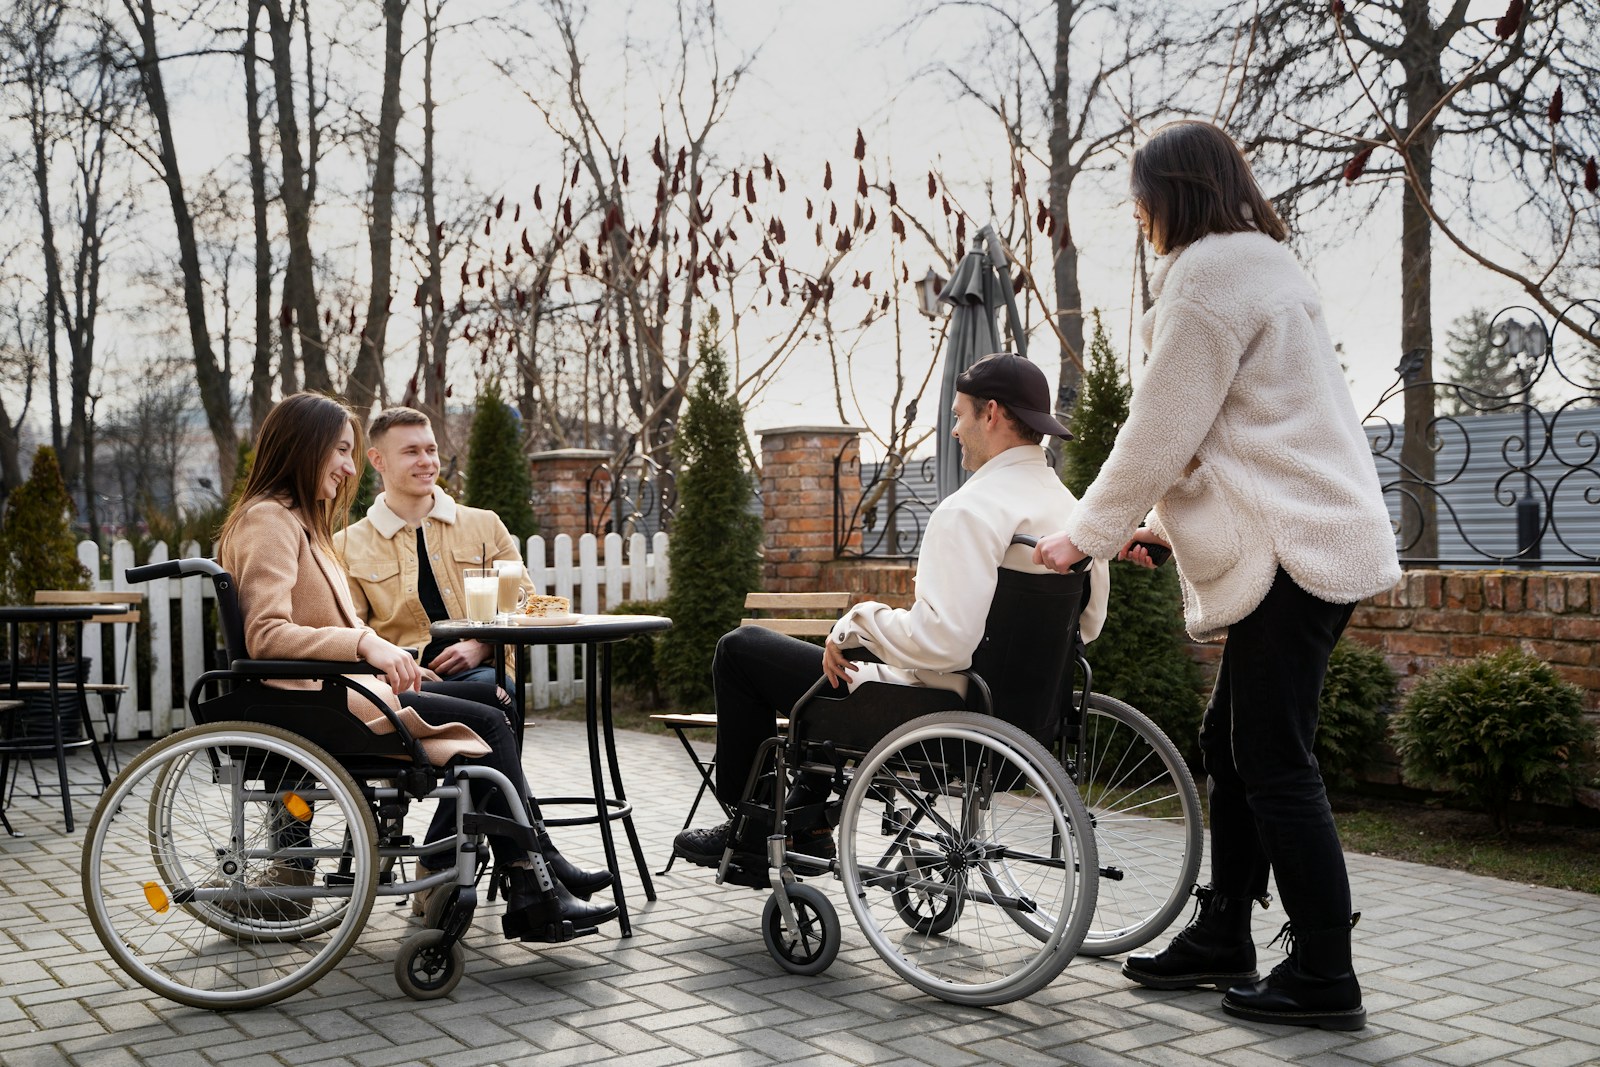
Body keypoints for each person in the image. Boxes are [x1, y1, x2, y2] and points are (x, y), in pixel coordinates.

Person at [1032, 120, 1401, 1032]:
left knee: (1275, 761)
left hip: (1293, 552)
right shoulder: (1269, 266)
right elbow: (1246, 440)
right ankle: (1225, 931)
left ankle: (1324, 968)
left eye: (1141, 201)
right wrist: (1156, 525)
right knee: (1231, 743)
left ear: (1171, 194)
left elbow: (1159, 429)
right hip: (1316, 536)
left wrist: (1086, 533)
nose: (1140, 217)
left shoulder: (1206, 279)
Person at [672, 352, 1110, 869]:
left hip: (938, 714)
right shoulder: (1075, 511)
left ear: (990, 414)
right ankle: (805, 820)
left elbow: (943, 644)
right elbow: (1090, 621)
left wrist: (860, 620)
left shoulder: (969, 509)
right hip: (1026, 719)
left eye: (958, 415)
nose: (953, 430)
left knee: (740, 650)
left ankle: (751, 825)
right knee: (828, 676)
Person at [217, 392, 616, 940]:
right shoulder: (279, 523)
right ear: (307, 449)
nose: (348, 467)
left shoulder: (306, 524)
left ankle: (532, 873)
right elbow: (269, 634)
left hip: (365, 684)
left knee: (492, 694)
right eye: (340, 451)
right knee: (493, 718)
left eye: (350, 453)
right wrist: (370, 649)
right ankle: (532, 877)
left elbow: (520, 603)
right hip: (332, 698)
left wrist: (425, 654)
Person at [336, 405, 524, 687]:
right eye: (411, 452)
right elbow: (350, 626)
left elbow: (526, 604)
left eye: (431, 450)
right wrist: (395, 665)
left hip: (482, 671)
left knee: (488, 689)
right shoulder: (347, 544)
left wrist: (481, 645)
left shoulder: (486, 525)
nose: (426, 461)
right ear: (378, 460)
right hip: (394, 680)